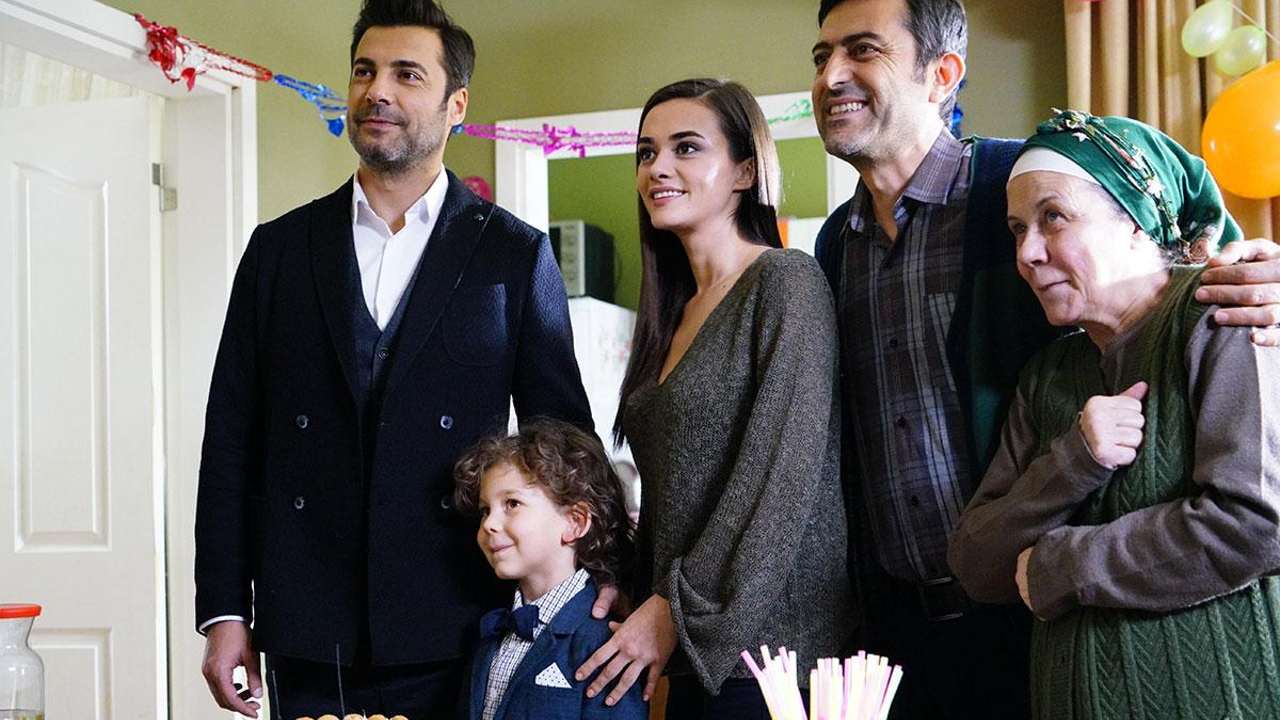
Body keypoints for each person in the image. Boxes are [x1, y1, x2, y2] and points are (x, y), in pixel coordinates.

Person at [809, 1, 1280, 718]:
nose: (832, 75)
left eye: (863, 49)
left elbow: (1198, 247)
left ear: (943, 73)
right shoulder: (834, 245)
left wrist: (1258, 272)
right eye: (822, 56)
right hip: (908, 628)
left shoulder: (1016, 176)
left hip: (1044, 622)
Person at [193, 0, 593, 716]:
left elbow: (563, 443)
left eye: (407, 74)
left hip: (459, 617)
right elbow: (229, 442)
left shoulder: (513, 254)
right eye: (364, 71)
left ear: (455, 105)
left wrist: (587, 586)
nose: (377, 90)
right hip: (306, 625)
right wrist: (225, 612)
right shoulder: (278, 251)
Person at [948, 108, 1280, 718]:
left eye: (1053, 218)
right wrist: (1073, 462)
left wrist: (1060, 565)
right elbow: (976, 562)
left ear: (1135, 221)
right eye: (1018, 230)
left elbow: (1254, 523)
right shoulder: (1047, 375)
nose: (1028, 253)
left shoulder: (1224, 315)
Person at [575, 78, 856, 719]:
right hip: (691, 656)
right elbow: (677, 496)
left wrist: (674, 609)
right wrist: (631, 580)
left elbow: (778, 482)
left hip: (774, 659)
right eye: (647, 153)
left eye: (686, 148)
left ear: (745, 172)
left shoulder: (785, 282)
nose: (658, 168)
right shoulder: (671, 316)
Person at [452, 420, 646, 720]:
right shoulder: (491, 634)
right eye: (485, 510)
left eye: (512, 503)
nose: (489, 523)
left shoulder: (604, 641)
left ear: (575, 522)